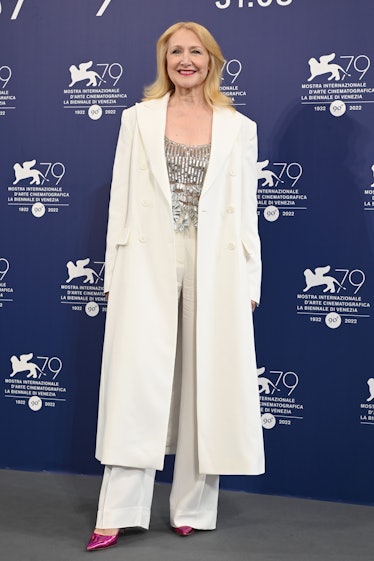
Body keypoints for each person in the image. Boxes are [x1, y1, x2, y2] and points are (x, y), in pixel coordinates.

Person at [86, 21, 264, 552]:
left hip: (216, 264)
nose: (185, 60)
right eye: (175, 52)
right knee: (135, 384)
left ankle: (191, 508)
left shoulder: (238, 126)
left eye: (195, 51)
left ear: (212, 60)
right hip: (146, 260)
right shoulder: (136, 120)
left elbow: (247, 212)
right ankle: (116, 511)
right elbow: (120, 198)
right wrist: (112, 272)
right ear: (163, 60)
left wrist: (250, 279)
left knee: (202, 382)